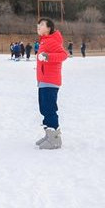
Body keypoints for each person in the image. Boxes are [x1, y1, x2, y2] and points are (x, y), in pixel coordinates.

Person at [34, 17, 69, 149]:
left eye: (42, 24)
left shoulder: (52, 41)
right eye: (38, 24)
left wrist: (48, 57)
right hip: (43, 81)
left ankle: (55, 139)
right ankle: (49, 135)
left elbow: (63, 55)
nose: (38, 26)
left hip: (50, 81)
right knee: (44, 108)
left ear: (49, 28)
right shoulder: (44, 42)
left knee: (49, 109)